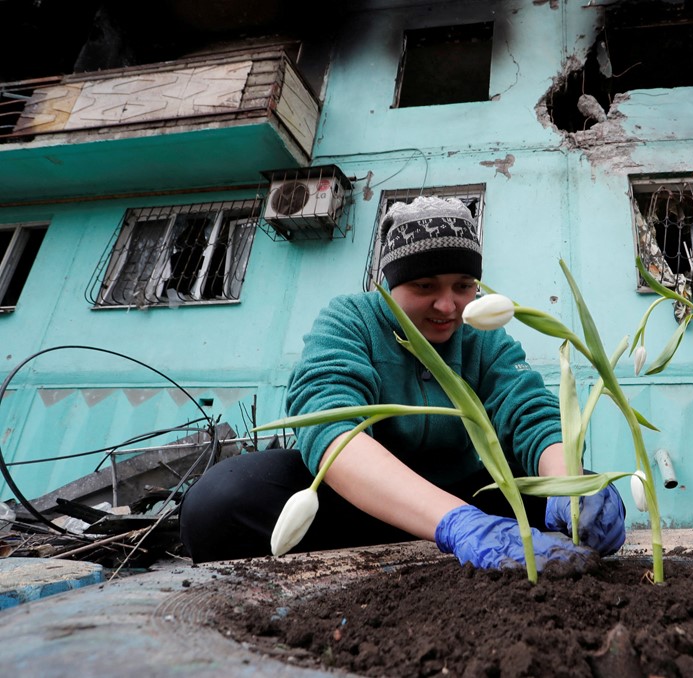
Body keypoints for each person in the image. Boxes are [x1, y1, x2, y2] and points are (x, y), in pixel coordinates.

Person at [180, 196, 626, 567]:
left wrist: (568, 483)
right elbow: (329, 428)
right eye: (425, 286)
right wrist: (456, 522)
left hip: (472, 495)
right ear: (388, 284)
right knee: (221, 501)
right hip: (363, 502)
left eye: (463, 285)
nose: (449, 306)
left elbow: (529, 412)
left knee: (576, 497)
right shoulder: (351, 319)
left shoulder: (481, 335)